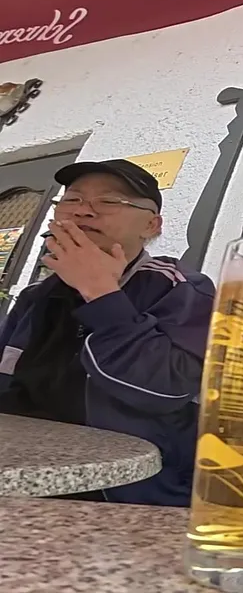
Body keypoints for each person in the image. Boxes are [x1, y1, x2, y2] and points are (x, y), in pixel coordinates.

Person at [0, 159, 215, 506]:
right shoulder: (36, 296)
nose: (83, 211)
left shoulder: (182, 289)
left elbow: (167, 389)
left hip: (131, 494)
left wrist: (100, 293)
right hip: (25, 482)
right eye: (72, 200)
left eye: (109, 201)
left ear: (151, 225)